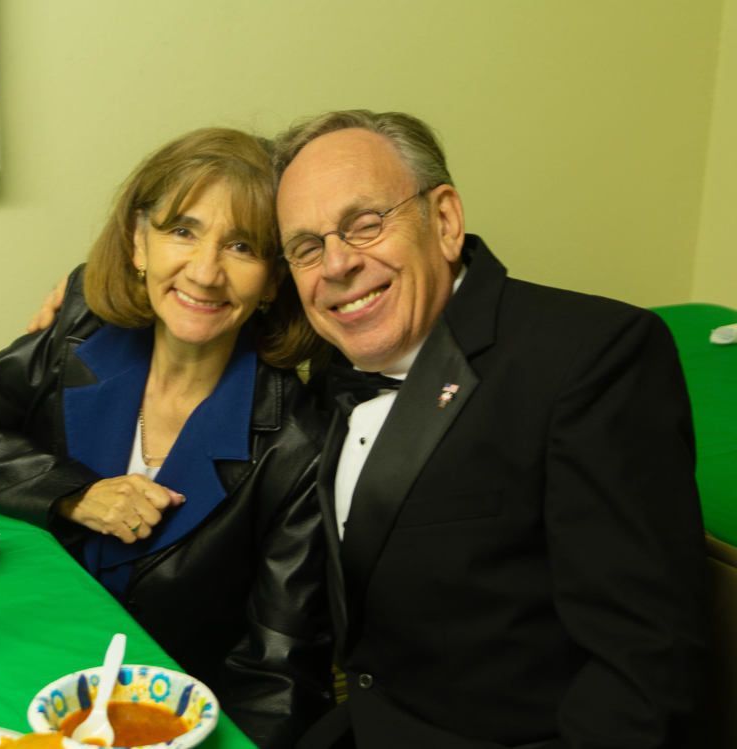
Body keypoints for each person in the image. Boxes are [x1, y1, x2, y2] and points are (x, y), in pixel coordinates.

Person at [270, 110, 707, 749]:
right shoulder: (330, 369)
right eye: (307, 247)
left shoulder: (593, 359)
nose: (336, 265)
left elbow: (643, 671)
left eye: (365, 225)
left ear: (443, 220)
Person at [0, 128, 332, 749]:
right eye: (182, 231)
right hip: (17, 661)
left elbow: (279, 673)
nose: (205, 272)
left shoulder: (298, 440)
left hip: (163, 723)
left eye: (242, 246)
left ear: (274, 280)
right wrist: (71, 494)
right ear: (139, 241)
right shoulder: (81, 327)